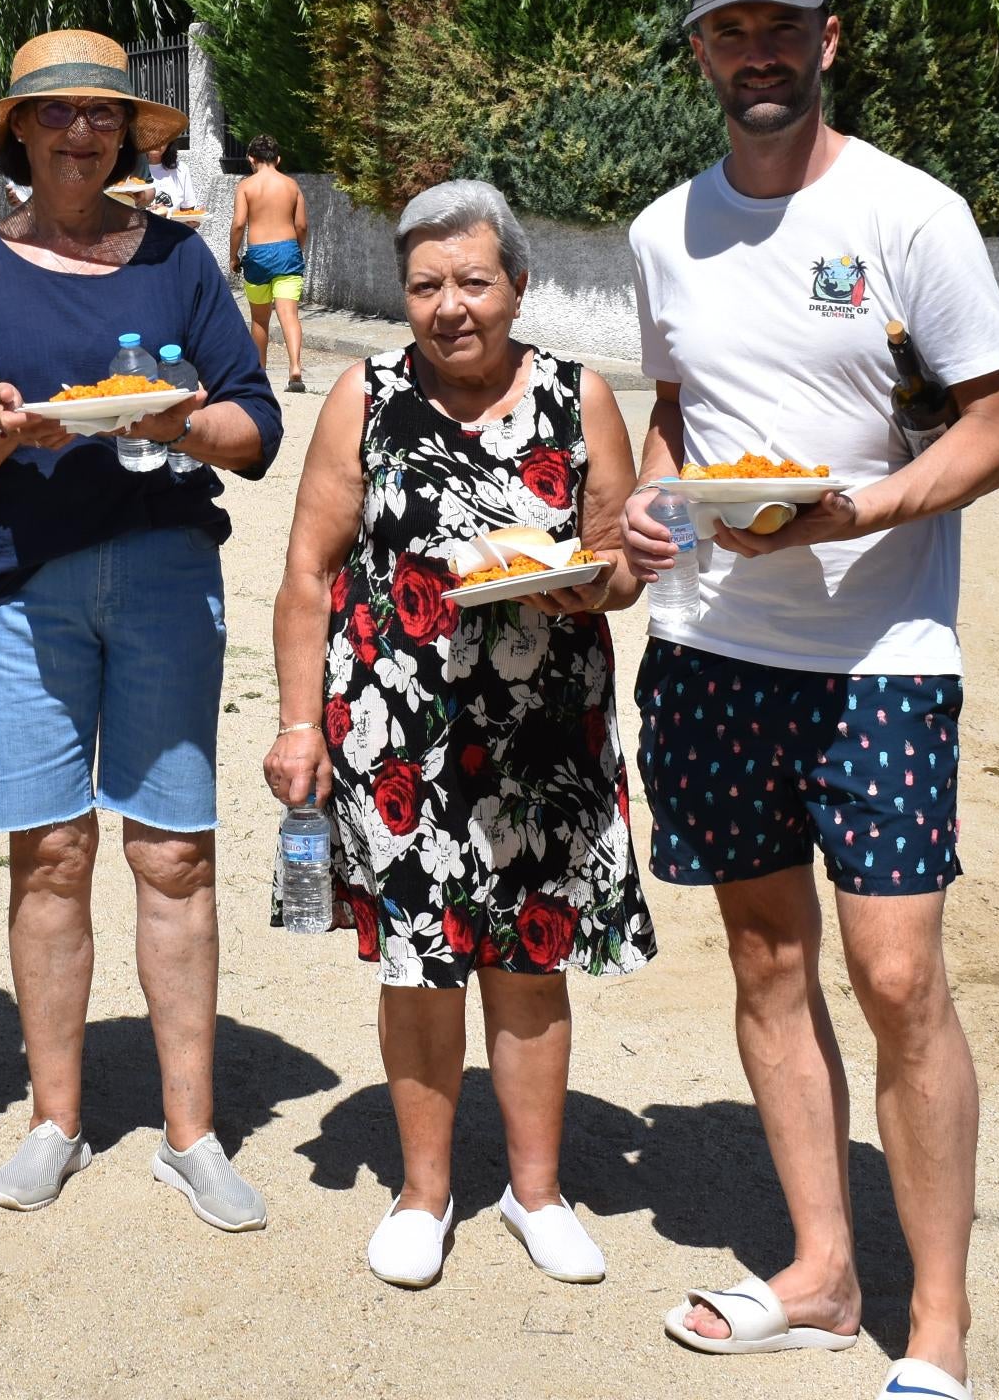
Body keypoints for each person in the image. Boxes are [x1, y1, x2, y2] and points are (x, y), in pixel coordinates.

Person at [621, 0, 999, 1400]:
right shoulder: (667, 230)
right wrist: (651, 503)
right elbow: (678, 406)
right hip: (714, 646)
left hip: (884, 653)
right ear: (699, 56)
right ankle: (819, 1271)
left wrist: (864, 507)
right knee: (766, 955)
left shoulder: (913, 215)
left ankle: (937, 1327)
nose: (759, 57)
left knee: (898, 972)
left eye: (780, 30)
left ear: (828, 41)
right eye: (730, 34)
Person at [0, 30, 284, 1233]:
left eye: (103, 115)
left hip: (169, 570)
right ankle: (55, 1118)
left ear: (131, 133)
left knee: (172, 850)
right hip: (22, 589)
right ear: (17, 131)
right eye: (56, 113)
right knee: (51, 850)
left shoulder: (180, 261)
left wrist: (179, 425)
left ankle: (191, 1133)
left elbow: (257, 425)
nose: (81, 132)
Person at [264, 179, 657, 1288]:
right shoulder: (364, 395)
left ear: (519, 286)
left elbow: (617, 558)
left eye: (473, 281)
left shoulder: (581, 398)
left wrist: (599, 585)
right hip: (400, 738)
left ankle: (537, 1191)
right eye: (426, 283)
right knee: (420, 966)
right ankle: (423, 1191)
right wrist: (300, 721)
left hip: (545, 735)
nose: (449, 306)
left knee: (532, 965)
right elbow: (308, 568)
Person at [228, 134, 309, 392]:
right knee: (289, 314)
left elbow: (239, 223)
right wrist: (297, 248)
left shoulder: (246, 186)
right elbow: (301, 225)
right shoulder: (291, 185)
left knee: (260, 319)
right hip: (288, 251)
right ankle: (295, 367)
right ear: (278, 158)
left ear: (251, 158)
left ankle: (259, 374)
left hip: (258, 254)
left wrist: (233, 256)